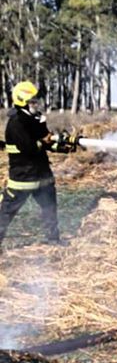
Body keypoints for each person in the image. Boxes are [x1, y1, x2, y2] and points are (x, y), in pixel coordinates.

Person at [0, 81, 80, 253]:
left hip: (43, 176)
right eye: (32, 101)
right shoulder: (16, 123)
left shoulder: (34, 119)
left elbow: (46, 141)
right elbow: (29, 148)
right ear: (22, 101)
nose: (36, 104)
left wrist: (63, 146)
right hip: (23, 178)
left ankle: (53, 240)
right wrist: (46, 141)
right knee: (5, 213)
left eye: (36, 101)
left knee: (50, 210)